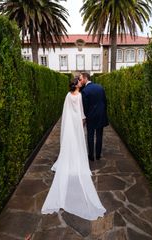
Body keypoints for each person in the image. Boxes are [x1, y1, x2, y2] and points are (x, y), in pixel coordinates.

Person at [41, 77, 106, 220]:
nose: (80, 83)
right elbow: (82, 112)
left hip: (70, 123)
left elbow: (66, 111)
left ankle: (69, 160)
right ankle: (78, 160)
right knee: (78, 142)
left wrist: (69, 123)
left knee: (70, 143)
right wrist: (82, 121)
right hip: (76, 123)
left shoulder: (67, 95)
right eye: (79, 82)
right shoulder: (80, 95)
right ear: (77, 84)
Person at [79, 72, 109, 161]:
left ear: (85, 78)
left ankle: (91, 156)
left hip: (91, 117)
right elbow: (105, 102)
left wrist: (85, 117)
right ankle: (98, 155)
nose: (80, 81)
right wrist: (103, 112)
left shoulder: (85, 91)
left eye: (81, 79)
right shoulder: (100, 87)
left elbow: (85, 107)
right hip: (100, 115)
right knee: (99, 135)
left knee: (90, 136)